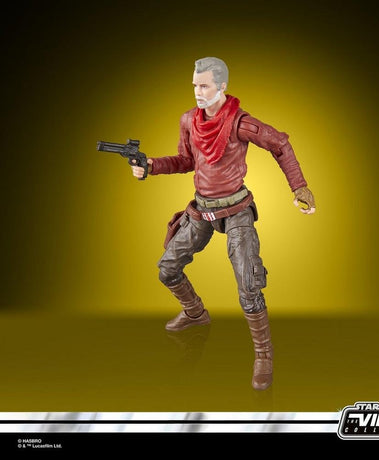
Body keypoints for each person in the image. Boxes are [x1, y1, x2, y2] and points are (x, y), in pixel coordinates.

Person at [131, 57, 316, 390]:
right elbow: (186, 160)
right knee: (167, 269)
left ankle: (264, 354)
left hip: (236, 210)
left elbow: (280, 144)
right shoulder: (189, 120)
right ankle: (195, 312)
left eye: (204, 86)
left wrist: (299, 186)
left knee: (249, 285)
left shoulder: (240, 123)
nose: (198, 91)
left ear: (222, 86)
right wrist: (151, 166)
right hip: (201, 210)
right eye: (195, 85)